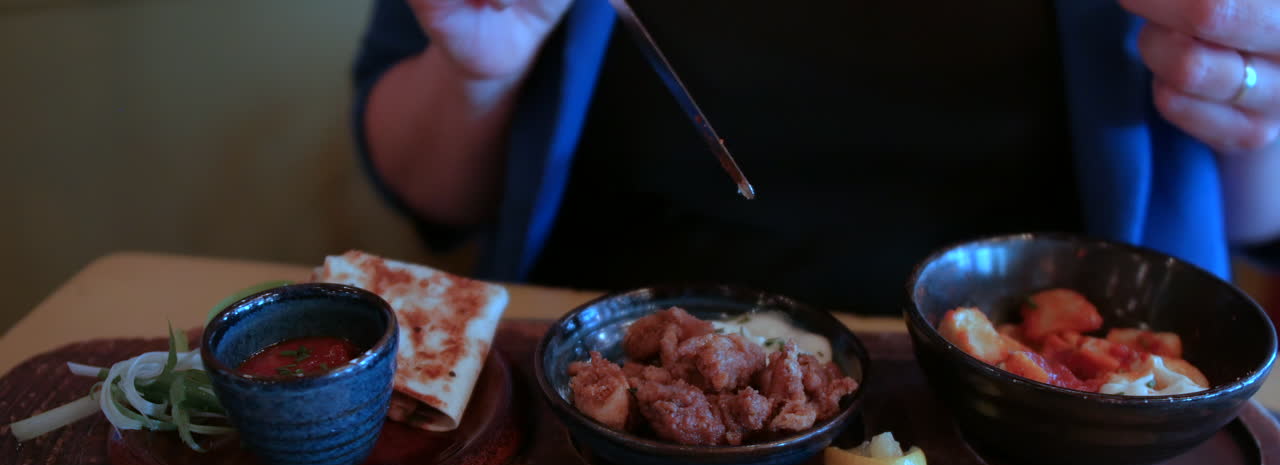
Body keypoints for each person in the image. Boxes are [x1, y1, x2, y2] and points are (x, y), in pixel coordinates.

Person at [351, 0, 1280, 315]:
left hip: (1061, 412)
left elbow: (1260, 221)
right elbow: (425, 188)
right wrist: (478, 72)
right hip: (592, 404)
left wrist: (1250, 93)